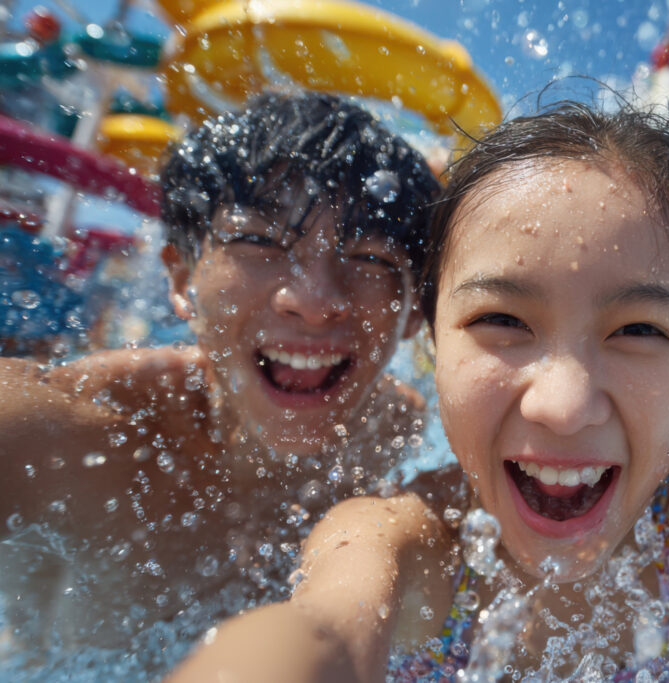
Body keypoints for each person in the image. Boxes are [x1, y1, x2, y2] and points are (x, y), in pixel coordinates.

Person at [170, 102, 669, 682]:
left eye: (641, 330)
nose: (563, 404)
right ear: (432, 345)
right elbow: (318, 634)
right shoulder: (399, 537)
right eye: (501, 320)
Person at [0, 92, 439, 660]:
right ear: (181, 279)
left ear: (411, 313)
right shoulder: (70, 434)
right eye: (259, 241)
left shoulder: (396, 428)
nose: (314, 300)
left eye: (372, 259)